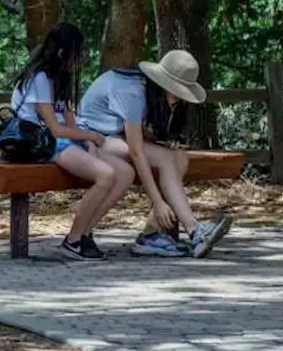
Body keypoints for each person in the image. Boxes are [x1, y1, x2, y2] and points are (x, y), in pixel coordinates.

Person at [77, 49, 233, 258]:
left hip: (112, 136)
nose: (178, 98)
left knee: (179, 157)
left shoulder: (148, 89)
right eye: (176, 91)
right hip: (91, 138)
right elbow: (136, 151)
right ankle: (194, 230)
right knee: (165, 158)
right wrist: (158, 202)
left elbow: (137, 136)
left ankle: (154, 233)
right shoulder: (132, 91)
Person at [9, 23, 136, 261]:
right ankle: (73, 240)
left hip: (63, 140)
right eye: (77, 53)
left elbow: (71, 124)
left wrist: (89, 145)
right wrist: (92, 137)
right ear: (62, 53)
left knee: (126, 172)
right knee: (106, 175)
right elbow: (55, 129)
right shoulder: (39, 79)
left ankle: (85, 233)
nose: (79, 60)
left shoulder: (61, 80)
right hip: (42, 142)